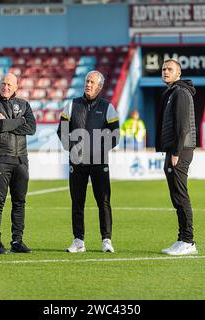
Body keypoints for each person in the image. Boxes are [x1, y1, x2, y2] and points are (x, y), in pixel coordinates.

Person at [57, 70, 120, 253]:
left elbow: (115, 135)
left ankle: (106, 240)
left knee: (104, 202)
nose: (88, 85)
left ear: (99, 87)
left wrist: (97, 150)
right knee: (77, 202)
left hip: (99, 162)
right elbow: (61, 130)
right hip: (76, 162)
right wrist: (71, 147)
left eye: (92, 82)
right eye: (87, 81)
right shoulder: (71, 105)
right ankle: (78, 241)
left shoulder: (108, 107)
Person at [0, 73, 36, 254]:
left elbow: (31, 128)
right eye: (3, 84)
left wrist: (9, 122)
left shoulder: (24, 104)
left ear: (16, 87)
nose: (5, 87)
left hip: (21, 159)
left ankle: (17, 241)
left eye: (9, 84)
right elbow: (0, 127)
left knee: (19, 202)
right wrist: (19, 121)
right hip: (1, 158)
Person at [155, 59, 197, 256]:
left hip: (181, 149)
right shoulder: (172, 92)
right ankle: (182, 238)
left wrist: (176, 152)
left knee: (180, 195)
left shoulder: (180, 92)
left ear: (178, 73)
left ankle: (188, 240)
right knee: (176, 195)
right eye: (163, 69)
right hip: (174, 148)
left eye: (170, 69)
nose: (165, 71)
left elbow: (182, 126)